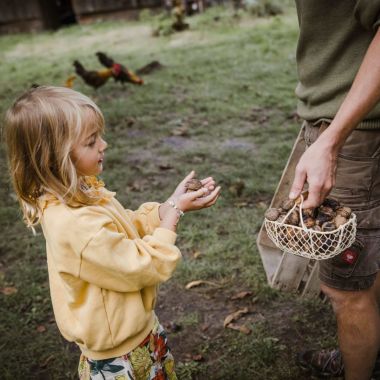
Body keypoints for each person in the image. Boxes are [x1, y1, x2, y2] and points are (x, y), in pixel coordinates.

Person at [4, 86, 220, 379]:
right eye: (92, 142)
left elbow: (122, 232)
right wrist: (174, 216)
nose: (103, 145)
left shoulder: (79, 190)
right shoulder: (73, 223)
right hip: (121, 358)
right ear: (55, 158)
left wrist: (167, 206)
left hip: (139, 333)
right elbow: (141, 265)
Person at [287, 2, 380, 379]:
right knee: (371, 262)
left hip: (354, 132)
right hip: (348, 124)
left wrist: (331, 141)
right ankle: (367, 353)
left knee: (347, 288)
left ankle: (360, 366)